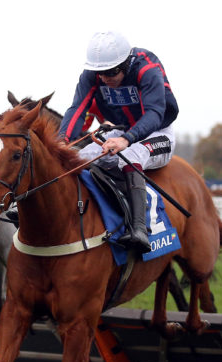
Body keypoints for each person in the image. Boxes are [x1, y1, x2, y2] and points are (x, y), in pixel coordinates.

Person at [59, 31, 179, 254]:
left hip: (157, 132)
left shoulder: (147, 69)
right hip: (120, 130)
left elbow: (154, 113)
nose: (104, 78)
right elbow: (77, 108)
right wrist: (61, 142)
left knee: (131, 156)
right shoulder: (92, 75)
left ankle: (139, 229)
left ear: (125, 64)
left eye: (111, 72)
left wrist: (127, 139)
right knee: (80, 157)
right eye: (99, 73)